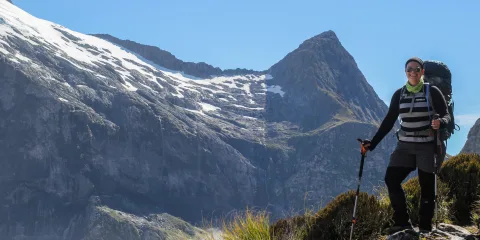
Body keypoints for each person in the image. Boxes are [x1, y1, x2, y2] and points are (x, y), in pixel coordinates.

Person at [362, 57, 450, 234]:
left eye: (417, 69)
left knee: (427, 187)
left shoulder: (432, 92)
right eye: (409, 69)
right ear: (405, 72)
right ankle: (402, 222)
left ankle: (425, 228)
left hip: (426, 145)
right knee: (391, 179)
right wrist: (372, 143)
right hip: (405, 146)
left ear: (422, 72)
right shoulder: (399, 94)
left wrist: (440, 121)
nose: (413, 72)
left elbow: (446, 116)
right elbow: (388, 122)